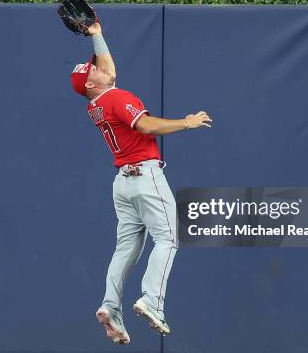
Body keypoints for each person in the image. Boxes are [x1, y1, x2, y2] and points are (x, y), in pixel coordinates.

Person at [70, 21, 212, 345]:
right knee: (170, 237)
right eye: (95, 69)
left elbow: (108, 69)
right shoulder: (117, 98)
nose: (102, 67)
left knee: (126, 249)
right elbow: (146, 126)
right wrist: (186, 123)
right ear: (92, 82)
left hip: (123, 183)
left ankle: (110, 305)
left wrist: (97, 35)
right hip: (146, 176)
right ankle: (152, 301)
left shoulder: (97, 103)